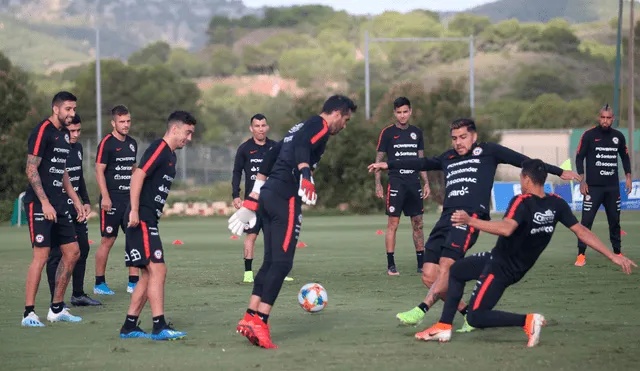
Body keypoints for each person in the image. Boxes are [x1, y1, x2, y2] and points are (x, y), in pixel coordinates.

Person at [368, 118, 581, 332]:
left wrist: (558, 171)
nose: (458, 142)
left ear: (474, 136)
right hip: (446, 219)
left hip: (469, 218)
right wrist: (388, 165)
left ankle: (422, 309)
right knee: (429, 275)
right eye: (454, 138)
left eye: (463, 137)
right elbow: (421, 163)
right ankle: (468, 315)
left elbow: (523, 160)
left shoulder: (488, 151)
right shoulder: (448, 157)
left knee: (447, 265)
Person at [415, 159, 636, 347]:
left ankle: (528, 320)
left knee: (475, 316)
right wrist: (612, 255)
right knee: (457, 271)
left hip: (500, 266)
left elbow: (506, 228)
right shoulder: (556, 203)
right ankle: (444, 326)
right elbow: (582, 232)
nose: (521, 183)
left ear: (527, 180)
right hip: (510, 264)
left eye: (522, 179)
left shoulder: (521, 201)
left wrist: (469, 220)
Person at [229, 95, 357, 349]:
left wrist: (255, 194)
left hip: (268, 195)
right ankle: (261, 322)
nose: (344, 126)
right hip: (285, 197)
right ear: (336, 114)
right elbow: (300, 145)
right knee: (283, 263)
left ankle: (249, 316)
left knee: (270, 262)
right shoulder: (318, 126)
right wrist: (306, 174)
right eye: (346, 120)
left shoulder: (299, 126)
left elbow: (271, 154)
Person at [118, 111, 196, 340]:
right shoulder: (159, 148)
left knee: (147, 274)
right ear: (174, 129)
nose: (189, 138)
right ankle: (159, 326)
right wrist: (134, 210)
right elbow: (138, 175)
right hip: (140, 218)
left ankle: (129, 326)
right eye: (187, 132)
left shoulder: (171, 155)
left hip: (149, 219)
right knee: (158, 269)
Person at [21, 91, 87, 327]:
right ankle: (28, 313)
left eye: (74, 109)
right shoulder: (43, 131)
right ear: (56, 108)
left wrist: (76, 199)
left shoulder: (63, 135)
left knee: (73, 252)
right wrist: (45, 202)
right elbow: (31, 169)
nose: (72, 113)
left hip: (59, 203)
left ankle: (57, 308)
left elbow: (62, 171)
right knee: (41, 256)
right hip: (39, 203)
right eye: (68, 109)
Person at [46, 114, 101, 306]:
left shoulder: (77, 148)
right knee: (55, 254)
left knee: (83, 249)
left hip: (77, 207)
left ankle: (77, 294)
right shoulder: (55, 148)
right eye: (72, 131)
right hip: (59, 207)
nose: (76, 135)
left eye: (78, 130)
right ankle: (56, 301)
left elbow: (79, 177)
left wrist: (85, 201)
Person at [231, 114, 292, 283]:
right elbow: (237, 172)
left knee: (277, 238)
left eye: (263, 125)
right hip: (253, 202)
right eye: (257, 126)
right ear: (251, 128)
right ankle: (248, 274)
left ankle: (279, 272)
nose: (260, 128)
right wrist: (236, 195)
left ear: (267, 127)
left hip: (273, 200)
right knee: (251, 236)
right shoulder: (244, 149)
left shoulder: (275, 147)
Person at [374, 97, 430, 275]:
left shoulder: (417, 133)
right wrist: (378, 184)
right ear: (394, 113)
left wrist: (426, 182)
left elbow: (421, 161)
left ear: (410, 111)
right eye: (399, 112)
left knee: (418, 223)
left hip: (414, 183)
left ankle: (421, 264)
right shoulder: (388, 133)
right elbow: (378, 161)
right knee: (393, 223)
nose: (402, 115)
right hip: (396, 183)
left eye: (405, 111)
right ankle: (391, 265)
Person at [574, 104, 632, 266]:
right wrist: (582, 180)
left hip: (612, 188)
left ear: (612, 119)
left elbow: (625, 157)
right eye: (603, 117)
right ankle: (581, 255)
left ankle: (617, 252)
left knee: (614, 222)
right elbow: (579, 157)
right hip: (593, 187)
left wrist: (628, 176)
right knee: (586, 223)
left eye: (608, 118)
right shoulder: (589, 135)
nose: (605, 121)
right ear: (599, 118)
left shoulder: (618, 136)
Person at [94, 105, 139, 295]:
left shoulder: (132, 143)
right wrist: (105, 196)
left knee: (133, 239)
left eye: (128, 121)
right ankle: (99, 284)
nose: (126, 125)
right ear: (113, 123)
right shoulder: (107, 143)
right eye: (122, 121)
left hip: (128, 200)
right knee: (108, 240)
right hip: (111, 200)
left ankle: (133, 282)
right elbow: (99, 170)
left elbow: (134, 170)